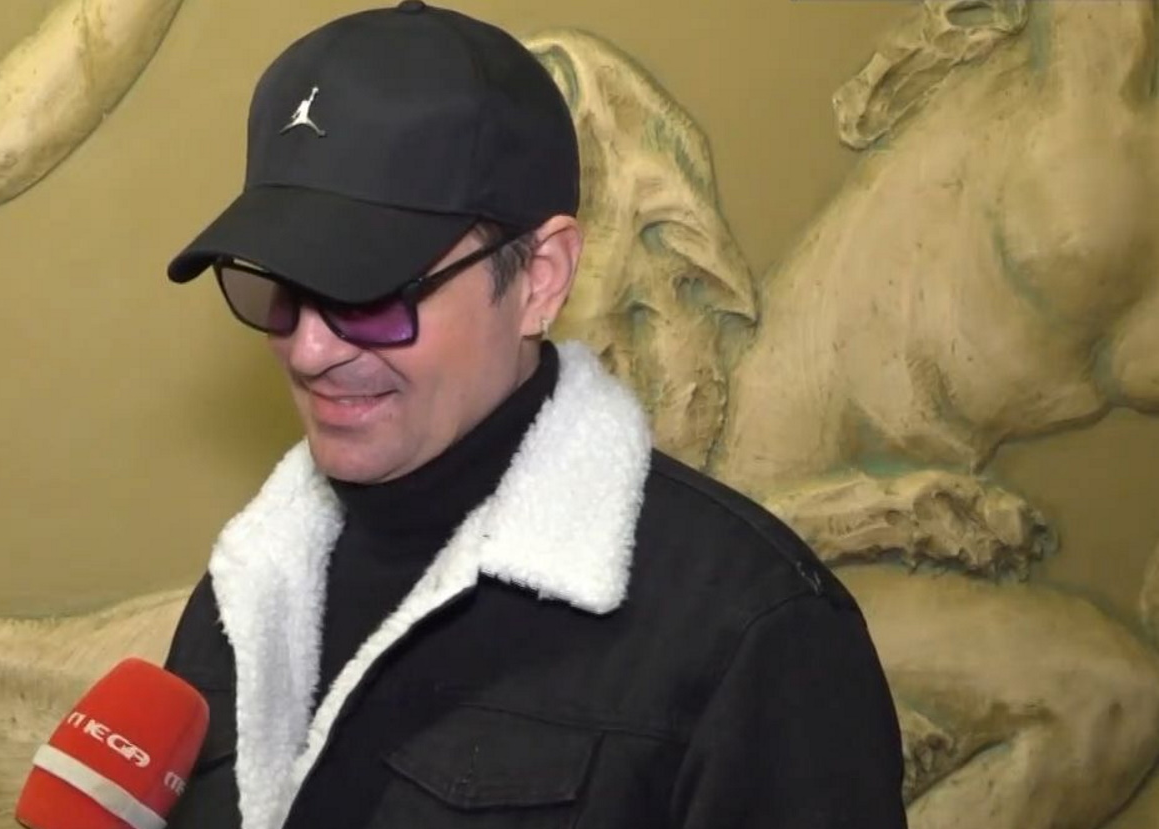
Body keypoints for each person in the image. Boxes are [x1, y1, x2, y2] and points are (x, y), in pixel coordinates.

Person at [160, 3, 907, 828]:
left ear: (540, 278)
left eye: (367, 292)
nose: (308, 350)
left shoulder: (753, 632)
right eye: (279, 288)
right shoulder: (247, 590)